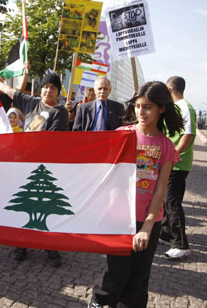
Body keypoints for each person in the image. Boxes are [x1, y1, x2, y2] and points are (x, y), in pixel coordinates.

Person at [88, 81, 183, 308]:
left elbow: (160, 190)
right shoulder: (121, 135)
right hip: (120, 219)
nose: (141, 112)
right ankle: (98, 303)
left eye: (148, 106)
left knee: (138, 280)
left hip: (149, 221)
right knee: (115, 274)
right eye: (138, 106)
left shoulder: (166, 146)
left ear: (161, 108)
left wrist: (148, 227)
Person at [0, 72, 68, 266]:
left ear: (58, 91)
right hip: (24, 163)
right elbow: (9, 90)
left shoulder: (60, 112)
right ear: (41, 88)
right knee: (24, 204)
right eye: (46, 87)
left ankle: (49, 245)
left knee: (46, 205)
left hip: (46, 167)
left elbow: (50, 141)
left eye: (53, 88)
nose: (48, 90)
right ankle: (21, 242)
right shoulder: (31, 102)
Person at [160, 76, 196, 260]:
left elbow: (188, 135)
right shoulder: (176, 107)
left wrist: (173, 154)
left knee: (172, 203)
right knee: (167, 200)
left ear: (169, 88)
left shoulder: (184, 107)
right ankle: (166, 234)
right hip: (172, 161)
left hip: (178, 163)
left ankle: (181, 244)